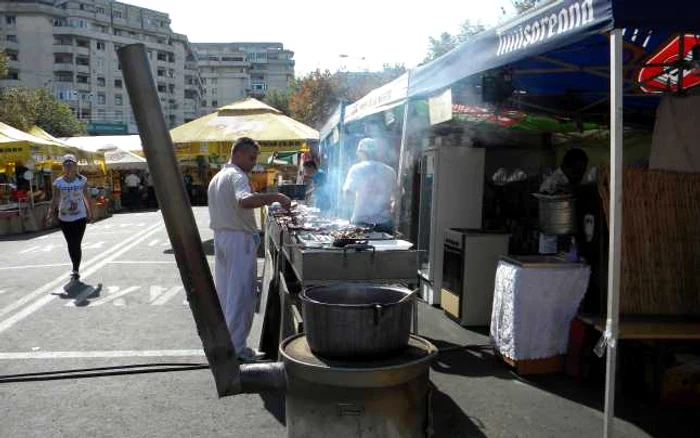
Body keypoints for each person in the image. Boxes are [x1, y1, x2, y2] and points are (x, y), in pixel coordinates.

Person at [208, 137, 291, 362]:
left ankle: (228, 344)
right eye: (251, 158)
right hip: (238, 240)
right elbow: (244, 201)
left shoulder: (218, 177)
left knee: (226, 294)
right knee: (241, 294)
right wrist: (275, 196)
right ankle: (238, 349)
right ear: (238, 154)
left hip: (222, 238)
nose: (254, 163)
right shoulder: (236, 175)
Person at [46, 154, 92, 286]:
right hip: (64, 217)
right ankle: (75, 267)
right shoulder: (58, 182)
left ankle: (75, 269)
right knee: (71, 243)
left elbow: (86, 197)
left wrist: (90, 212)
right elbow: (54, 199)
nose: (68, 165)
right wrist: (50, 213)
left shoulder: (82, 180)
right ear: (63, 166)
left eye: (71, 163)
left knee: (76, 243)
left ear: (75, 165)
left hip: (80, 216)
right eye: (66, 163)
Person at [342, 138, 398, 233]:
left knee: (362, 247)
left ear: (362, 153)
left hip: (361, 222)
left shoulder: (356, 169)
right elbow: (397, 195)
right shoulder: (390, 171)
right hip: (384, 223)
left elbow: (348, 193)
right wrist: (392, 206)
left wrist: (349, 213)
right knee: (386, 247)